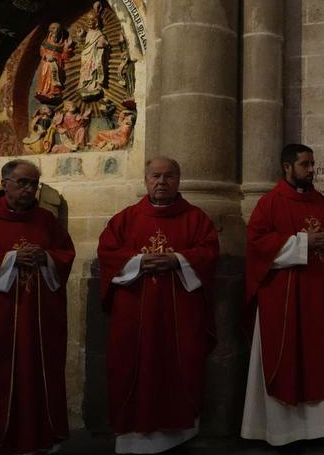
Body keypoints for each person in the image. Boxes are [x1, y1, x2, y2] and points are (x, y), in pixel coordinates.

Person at [97, 157, 219, 454]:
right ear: (145, 180)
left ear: (178, 180)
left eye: (169, 176)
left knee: (181, 365)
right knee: (131, 367)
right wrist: (138, 261)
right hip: (134, 312)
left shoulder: (196, 218)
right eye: (155, 176)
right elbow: (107, 252)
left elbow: (209, 250)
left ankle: (179, 436)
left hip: (181, 314)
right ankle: (134, 440)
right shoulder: (125, 218)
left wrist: (177, 259)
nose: (162, 182)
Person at [241, 144, 324, 448]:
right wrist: (303, 243)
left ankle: (320, 429)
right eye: (305, 164)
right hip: (284, 301)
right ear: (287, 167)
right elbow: (257, 245)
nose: (311, 169)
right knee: (288, 359)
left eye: (312, 164)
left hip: (321, 298)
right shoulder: (269, 203)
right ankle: (284, 433)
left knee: (321, 358)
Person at [0, 160, 75, 454]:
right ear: (5, 183)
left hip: (39, 320)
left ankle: (38, 438)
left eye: (34, 184)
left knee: (37, 377)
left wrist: (46, 257)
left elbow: (65, 253)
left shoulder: (45, 220)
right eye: (23, 182)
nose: (29, 189)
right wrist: (11, 258)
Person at [34, 22, 73, 104]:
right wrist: (46, 55)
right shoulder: (46, 41)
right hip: (46, 62)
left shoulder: (63, 43)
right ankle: (43, 91)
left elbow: (65, 57)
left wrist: (67, 48)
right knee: (45, 74)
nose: (53, 31)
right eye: (51, 29)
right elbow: (42, 51)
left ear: (60, 31)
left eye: (55, 29)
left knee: (54, 76)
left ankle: (54, 93)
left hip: (57, 62)